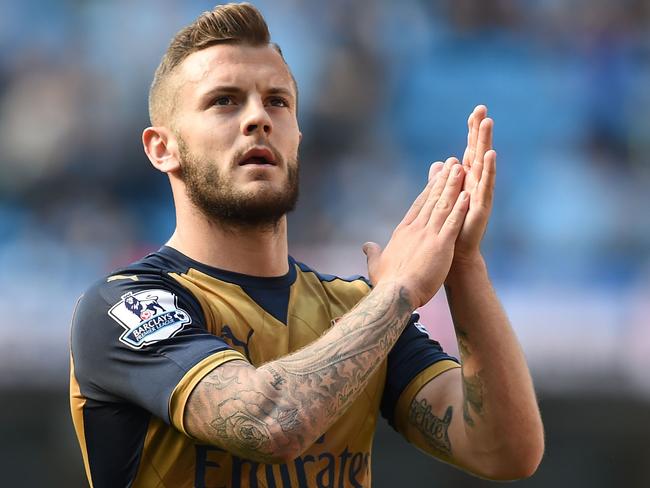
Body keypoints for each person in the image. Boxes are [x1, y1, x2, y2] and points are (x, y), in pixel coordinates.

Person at [69, 3, 544, 487]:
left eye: (277, 102)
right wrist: (398, 292)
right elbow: (267, 425)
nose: (258, 118)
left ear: (298, 135)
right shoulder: (125, 305)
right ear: (161, 148)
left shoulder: (354, 309)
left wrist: (462, 267)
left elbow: (505, 452)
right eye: (224, 101)